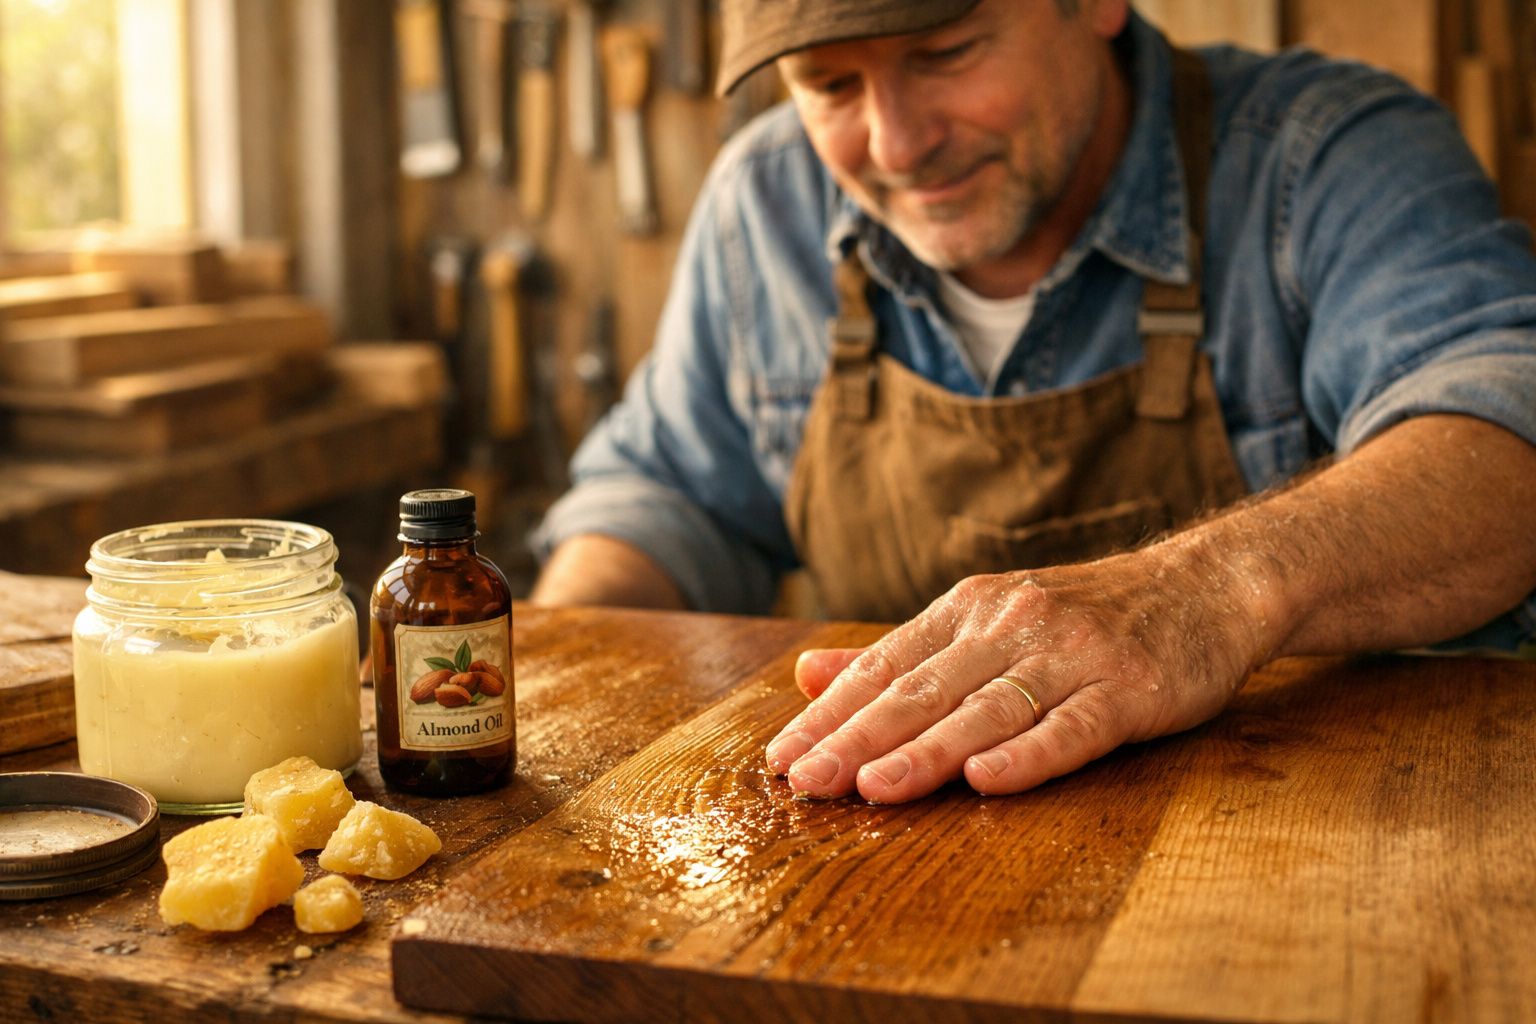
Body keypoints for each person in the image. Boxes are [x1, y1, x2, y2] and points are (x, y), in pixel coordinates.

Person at [530, 0, 1536, 804]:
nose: (897, 143)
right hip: (883, 890)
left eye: (945, 52)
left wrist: (1202, 597)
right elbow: (669, 495)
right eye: (830, 84)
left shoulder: (1323, 155)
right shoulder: (768, 201)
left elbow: (1505, 434)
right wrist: (546, 677)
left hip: (1288, 842)